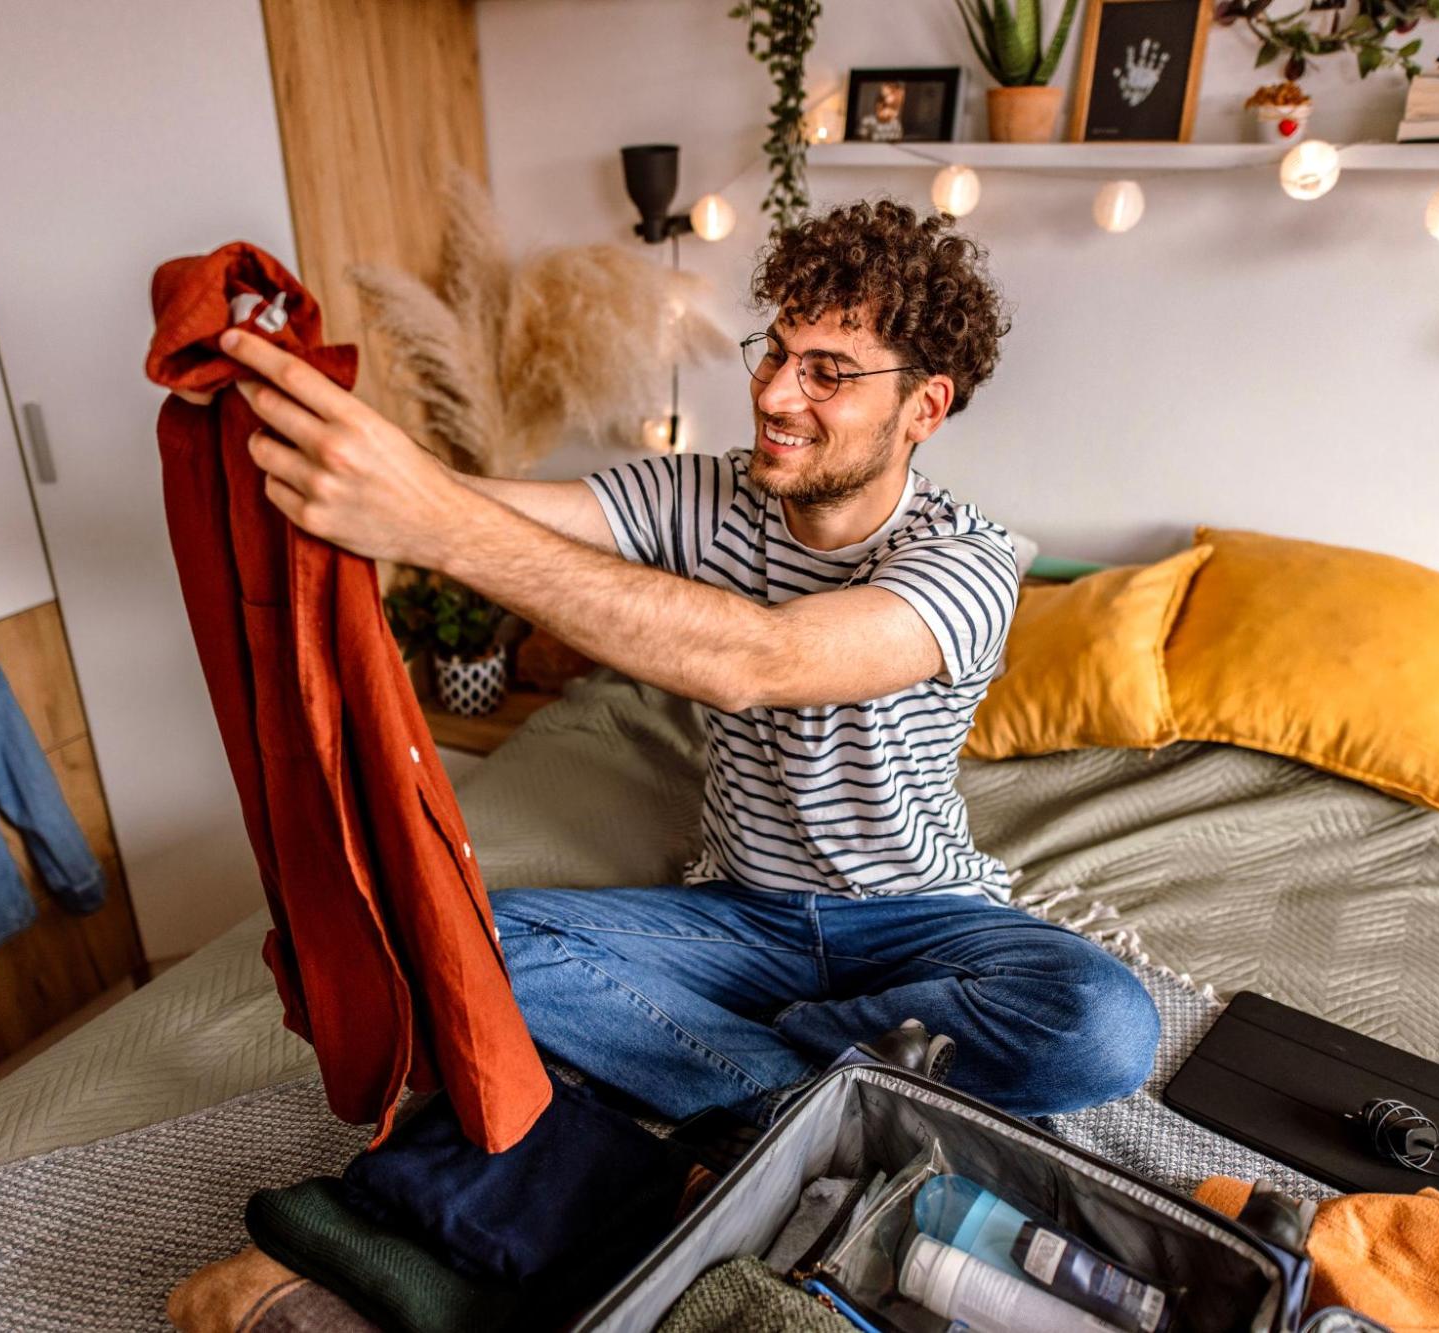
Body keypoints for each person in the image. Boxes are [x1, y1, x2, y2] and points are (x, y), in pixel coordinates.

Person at [216, 198, 1159, 1128]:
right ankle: (841, 1094)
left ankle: (766, 1075)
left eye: (828, 372)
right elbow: (475, 505)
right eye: (778, 352)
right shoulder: (700, 493)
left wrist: (435, 522)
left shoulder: (971, 561)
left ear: (924, 406)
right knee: (453, 941)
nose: (776, 394)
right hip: (737, 917)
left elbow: (762, 658)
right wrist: (338, 442)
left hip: (917, 922)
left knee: (1105, 1025)